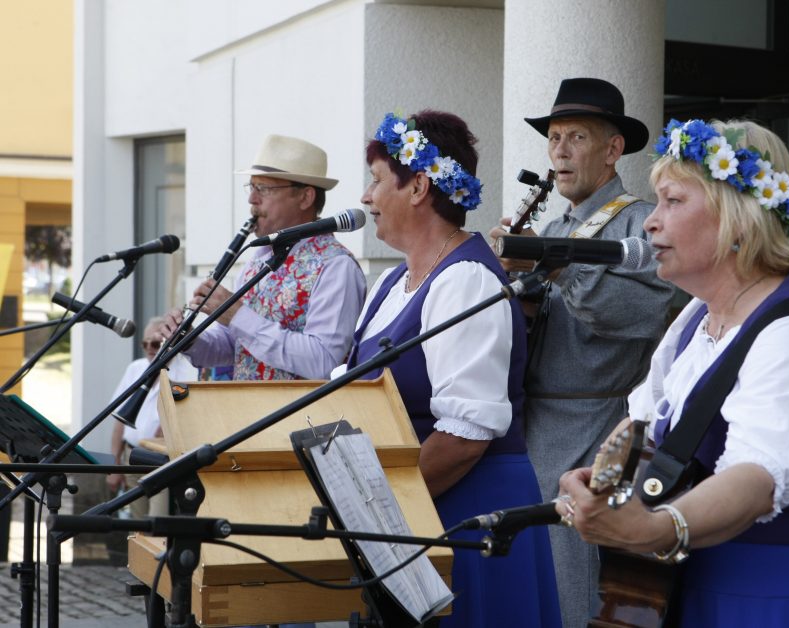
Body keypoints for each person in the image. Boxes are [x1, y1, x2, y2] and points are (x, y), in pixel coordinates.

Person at [556, 118, 789, 626]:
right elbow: (644, 429)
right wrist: (599, 480)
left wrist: (653, 529)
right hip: (699, 589)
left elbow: (756, 477)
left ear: (738, 219)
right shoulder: (695, 318)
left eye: (673, 202)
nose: (651, 222)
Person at [338, 110, 561, 627]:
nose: (367, 198)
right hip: (420, 509)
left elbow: (464, 437)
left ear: (418, 187)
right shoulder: (395, 281)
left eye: (375, 181)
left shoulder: (466, 282)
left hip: (469, 514)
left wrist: (376, 513)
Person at [489, 76, 674, 626]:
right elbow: (540, 324)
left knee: (579, 573)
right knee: (538, 574)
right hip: (539, 421)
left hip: (598, 419)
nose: (559, 152)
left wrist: (555, 266)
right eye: (553, 139)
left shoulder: (641, 222)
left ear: (613, 149)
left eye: (575, 138)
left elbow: (642, 317)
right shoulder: (553, 223)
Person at [159, 134, 366, 380]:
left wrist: (236, 315)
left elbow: (323, 361)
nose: (251, 199)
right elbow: (235, 347)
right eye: (252, 187)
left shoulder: (336, 266)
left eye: (264, 189)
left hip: (303, 418)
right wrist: (189, 339)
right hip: (248, 414)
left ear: (305, 197)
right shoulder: (259, 258)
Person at [106, 317, 196, 517]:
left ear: (170, 342)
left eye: (155, 343)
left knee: (158, 524)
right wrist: (115, 465)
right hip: (132, 456)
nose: (149, 348)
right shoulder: (135, 368)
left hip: (159, 459)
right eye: (144, 343)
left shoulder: (184, 372)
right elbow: (119, 422)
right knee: (136, 528)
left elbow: (170, 424)